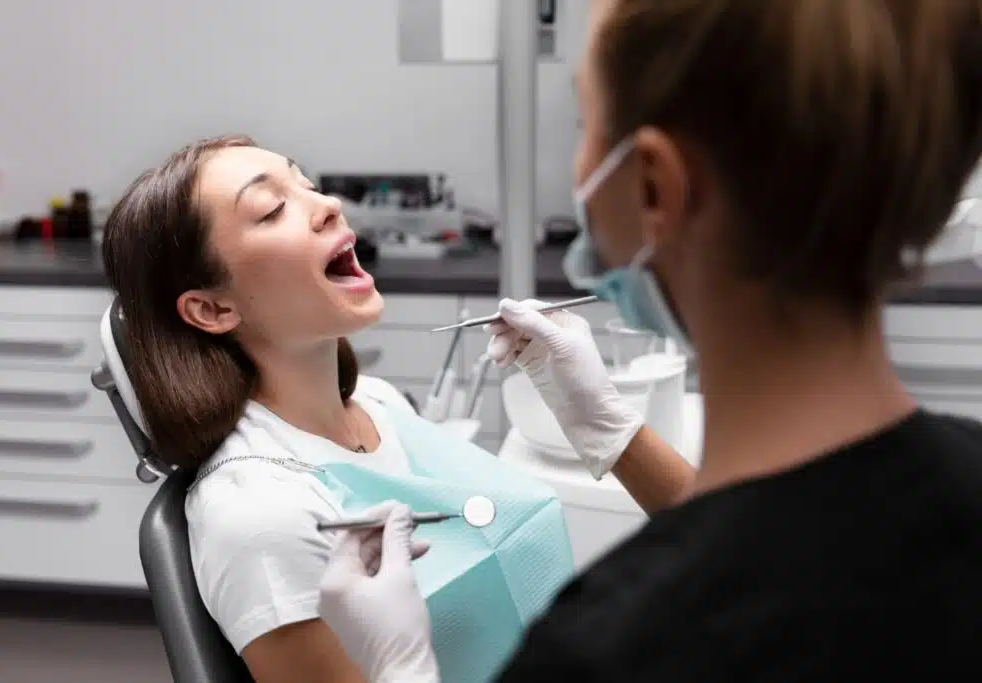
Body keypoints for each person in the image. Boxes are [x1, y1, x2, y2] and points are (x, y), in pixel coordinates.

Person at [316, 0, 982, 680]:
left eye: (586, 125)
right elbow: (798, 543)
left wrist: (401, 668)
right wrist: (613, 432)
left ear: (655, 186)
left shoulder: (609, 651)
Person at [103, 135, 658, 683]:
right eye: (272, 208)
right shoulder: (259, 519)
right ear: (211, 308)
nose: (327, 205)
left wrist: (601, 423)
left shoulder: (379, 402)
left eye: (307, 185)